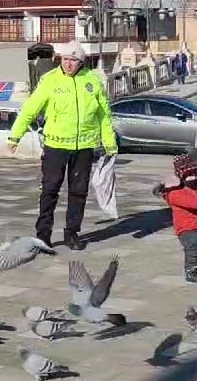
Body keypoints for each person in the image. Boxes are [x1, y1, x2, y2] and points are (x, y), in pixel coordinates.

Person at [6, 41, 117, 250]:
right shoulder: (49, 81)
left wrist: (109, 143)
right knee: (49, 190)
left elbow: (104, 115)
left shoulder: (92, 81)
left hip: (84, 147)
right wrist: (15, 137)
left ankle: (72, 233)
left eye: (73, 60)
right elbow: (30, 109)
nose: (68, 64)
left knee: (78, 192)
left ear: (81, 62)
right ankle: (43, 234)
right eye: (65, 59)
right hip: (55, 146)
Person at [153, 154, 197, 282]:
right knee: (193, 247)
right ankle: (191, 270)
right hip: (186, 227)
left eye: (194, 173)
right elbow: (186, 201)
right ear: (181, 176)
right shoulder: (175, 192)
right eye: (188, 174)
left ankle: (195, 266)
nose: (192, 177)